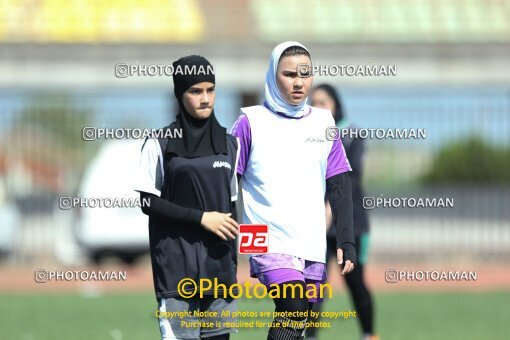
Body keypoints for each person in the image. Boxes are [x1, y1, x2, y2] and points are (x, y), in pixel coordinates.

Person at [231, 41, 357, 340]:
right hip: (263, 235)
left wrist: (346, 238)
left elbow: (339, 183)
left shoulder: (324, 122)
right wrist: (224, 236)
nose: (299, 82)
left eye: (306, 74)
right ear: (273, 75)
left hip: (309, 236)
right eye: (289, 74)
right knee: (294, 308)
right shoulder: (249, 122)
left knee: (299, 322)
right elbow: (226, 181)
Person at [135, 55, 240, 340]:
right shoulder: (160, 142)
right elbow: (147, 202)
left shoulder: (231, 145)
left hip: (219, 275)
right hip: (176, 273)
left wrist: (235, 268)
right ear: (180, 95)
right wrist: (202, 218)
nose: (205, 98)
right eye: (195, 91)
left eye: (210, 89)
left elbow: (233, 209)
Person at [308, 84, 378, 340]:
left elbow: (350, 176)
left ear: (335, 104)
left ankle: (369, 334)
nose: (318, 107)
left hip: (351, 224)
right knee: (314, 285)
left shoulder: (351, 134)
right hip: (315, 226)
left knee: (355, 282)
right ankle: (311, 335)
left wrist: (330, 207)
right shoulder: (305, 136)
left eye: (324, 102)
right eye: (313, 102)